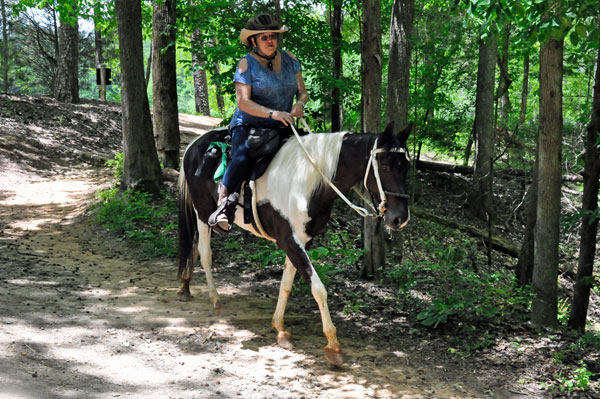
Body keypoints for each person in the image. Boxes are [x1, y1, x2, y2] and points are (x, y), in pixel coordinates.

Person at [208, 13, 309, 232]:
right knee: (242, 156)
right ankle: (224, 205)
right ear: (253, 41)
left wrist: (299, 104)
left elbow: (302, 92)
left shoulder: (290, 59)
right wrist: (273, 113)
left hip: (283, 124)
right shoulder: (246, 64)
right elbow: (243, 103)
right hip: (248, 125)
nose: (270, 40)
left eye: (273, 36)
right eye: (264, 37)